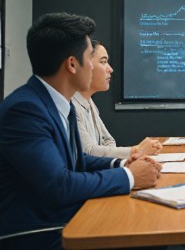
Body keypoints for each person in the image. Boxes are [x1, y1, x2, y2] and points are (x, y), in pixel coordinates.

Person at [0, 13, 162, 249]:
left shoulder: (57, 103)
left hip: (66, 219)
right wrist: (130, 177)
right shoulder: (25, 110)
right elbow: (59, 186)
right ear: (72, 64)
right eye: (90, 57)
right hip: (41, 233)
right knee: (148, 231)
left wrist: (121, 165)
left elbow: (77, 160)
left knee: (150, 225)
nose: (105, 68)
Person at [73, 40, 162, 159]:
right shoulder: (71, 106)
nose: (110, 69)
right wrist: (136, 150)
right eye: (103, 62)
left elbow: (108, 140)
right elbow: (87, 151)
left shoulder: (89, 101)